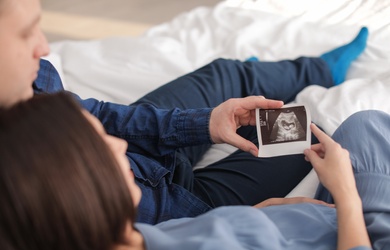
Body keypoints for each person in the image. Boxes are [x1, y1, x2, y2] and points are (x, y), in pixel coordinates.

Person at [0, 0, 369, 224]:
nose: (45, 47)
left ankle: (317, 70)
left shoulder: (30, 85)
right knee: (306, 133)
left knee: (225, 74)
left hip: (143, 154)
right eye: (26, 33)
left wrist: (205, 123)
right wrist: (236, 220)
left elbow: (97, 117)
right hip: (184, 207)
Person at [1, 93, 389, 250]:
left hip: (312, 222)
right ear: (77, 191)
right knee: (366, 127)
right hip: (359, 242)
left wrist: (260, 215)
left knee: (359, 129)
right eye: (101, 145)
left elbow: (208, 233)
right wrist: (346, 194)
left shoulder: (123, 242)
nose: (120, 146)